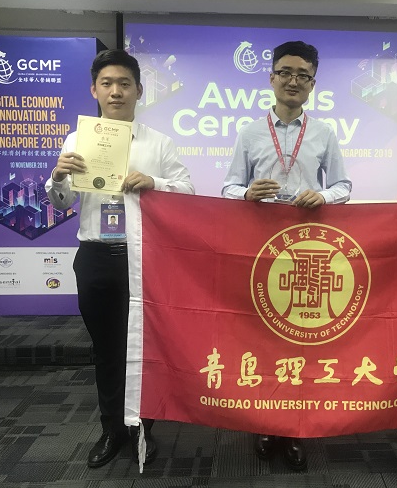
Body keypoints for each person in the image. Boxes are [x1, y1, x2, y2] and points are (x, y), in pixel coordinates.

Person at [45, 49, 194, 468]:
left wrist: (154, 182)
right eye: (107, 83)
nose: (116, 91)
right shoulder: (76, 141)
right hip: (95, 256)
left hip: (143, 258)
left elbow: (187, 191)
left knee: (143, 348)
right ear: (94, 90)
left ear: (139, 91)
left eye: (124, 84)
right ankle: (111, 428)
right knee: (106, 349)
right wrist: (57, 176)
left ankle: (143, 427)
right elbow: (61, 203)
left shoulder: (159, 143)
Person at [222, 41, 351, 470]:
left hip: (306, 251)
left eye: (303, 75)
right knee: (263, 340)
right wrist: (246, 192)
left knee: (301, 341)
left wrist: (323, 195)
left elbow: (344, 186)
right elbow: (227, 187)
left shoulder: (325, 133)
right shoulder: (249, 132)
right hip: (261, 251)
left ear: (312, 83)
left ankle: (295, 429)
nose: (293, 81)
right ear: (271, 78)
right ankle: (265, 422)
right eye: (286, 73)